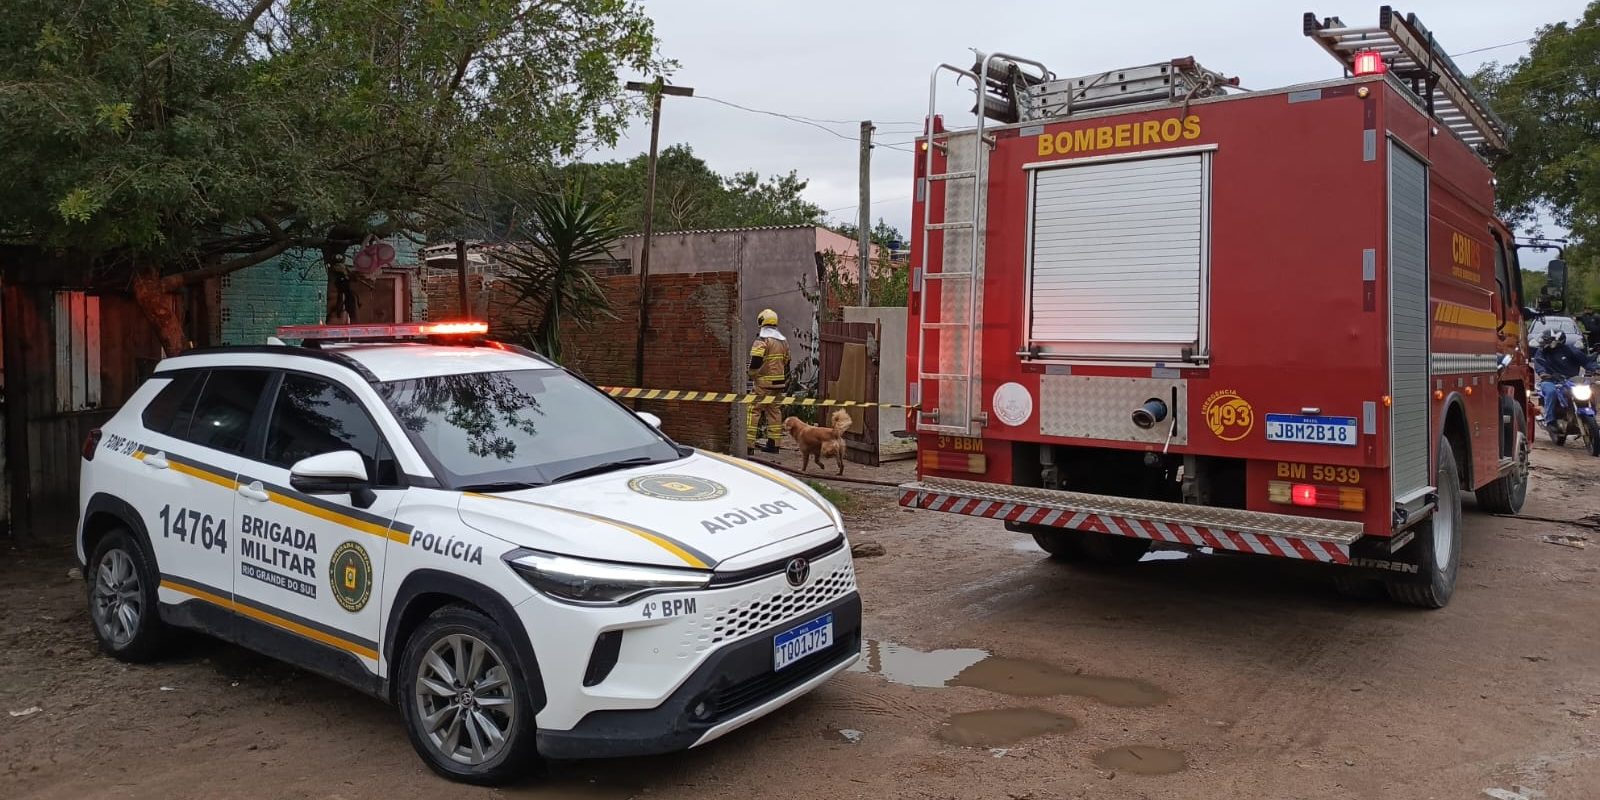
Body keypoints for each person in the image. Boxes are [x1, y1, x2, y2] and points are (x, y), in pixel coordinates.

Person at [1533, 330, 1600, 429]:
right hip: (1550, 380)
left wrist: (1595, 369)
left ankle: (1592, 414)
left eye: (1547, 340)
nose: (1544, 342)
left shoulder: (1570, 350)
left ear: (1556, 341)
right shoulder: (1541, 352)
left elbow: (1585, 361)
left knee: (1590, 388)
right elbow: (1539, 363)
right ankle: (1550, 421)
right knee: (1551, 392)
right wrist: (1543, 373)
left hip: (1571, 379)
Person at [746, 309, 790, 453]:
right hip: (779, 383)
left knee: (753, 410)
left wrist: (751, 374)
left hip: (763, 384)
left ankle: (748, 446)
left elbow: (756, 361)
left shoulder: (762, 340)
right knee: (774, 412)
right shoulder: (783, 341)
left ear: (761, 322)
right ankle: (774, 445)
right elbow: (787, 362)